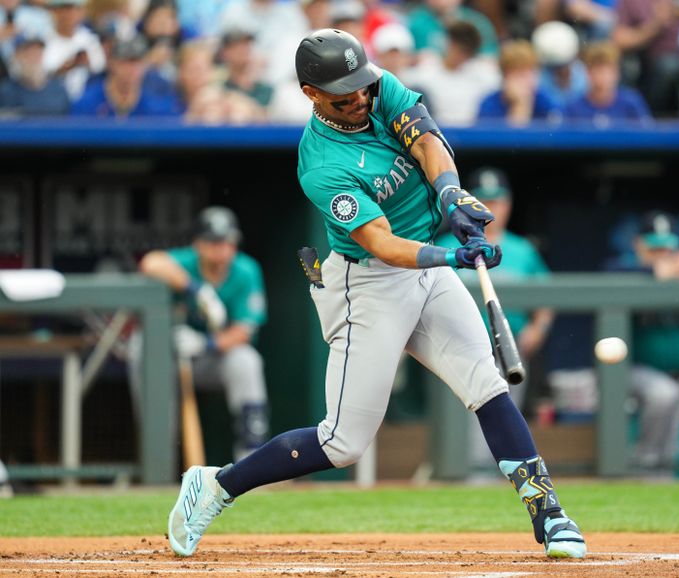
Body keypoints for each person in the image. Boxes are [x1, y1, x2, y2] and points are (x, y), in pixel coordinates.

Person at [167, 28, 586, 560]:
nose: (360, 99)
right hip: (367, 283)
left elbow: (427, 140)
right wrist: (451, 255)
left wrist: (451, 194)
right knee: (342, 443)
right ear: (310, 94)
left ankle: (549, 515)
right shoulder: (321, 164)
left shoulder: (376, 85)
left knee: (487, 382)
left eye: (362, 87)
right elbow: (383, 244)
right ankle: (218, 485)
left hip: (427, 268)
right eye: (345, 95)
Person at [436, 167, 554, 477]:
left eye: (498, 201)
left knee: (502, 425)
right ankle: (471, 484)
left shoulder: (522, 250)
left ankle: (492, 490)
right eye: (484, 200)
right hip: (456, 351)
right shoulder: (445, 244)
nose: (492, 208)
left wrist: (537, 327)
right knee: (467, 437)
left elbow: (548, 298)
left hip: (507, 350)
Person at [137, 206, 270, 463]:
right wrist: (196, 289)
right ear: (198, 244)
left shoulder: (246, 270)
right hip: (173, 358)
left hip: (216, 357)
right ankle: (158, 458)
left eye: (227, 243)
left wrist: (205, 343)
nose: (221, 250)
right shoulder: (187, 262)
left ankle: (253, 461)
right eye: (213, 242)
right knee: (140, 348)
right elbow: (150, 263)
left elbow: (244, 331)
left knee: (247, 360)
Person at [607, 211, 679, 471]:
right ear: (639, 244)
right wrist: (652, 270)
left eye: (666, 248)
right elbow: (610, 271)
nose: (661, 254)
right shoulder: (627, 268)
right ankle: (643, 463)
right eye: (654, 248)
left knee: (671, 450)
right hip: (631, 368)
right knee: (663, 395)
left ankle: (658, 478)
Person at [612, 0, 679, 115]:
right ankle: (657, 121)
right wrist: (656, 25)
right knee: (669, 66)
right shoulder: (633, 2)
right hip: (650, 67)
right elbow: (619, 40)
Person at [403, 20, 500, 125]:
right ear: (449, 43)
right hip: (437, 132)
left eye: (466, 51)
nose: (460, 55)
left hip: (473, 133)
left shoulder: (481, 71)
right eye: (457, 47)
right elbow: (401, 83)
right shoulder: (428, 67)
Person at [71, 35, 179, 117]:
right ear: (112, 63)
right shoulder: (87, 103)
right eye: (126, 62)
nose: (133, 69)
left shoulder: (156, 107)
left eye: (138, 62)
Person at [564, 41, 652, 125]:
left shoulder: (632, 103)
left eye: (608, 71)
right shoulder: (573, 107)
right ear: (588, 73)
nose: (604, 76)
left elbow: (647, 135)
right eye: (598, 70)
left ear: (617, 73)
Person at [477, 39, 561, 125]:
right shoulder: (489, 104)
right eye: (519, 74)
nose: (525, 80)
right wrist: (519, 105)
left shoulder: (545, 100)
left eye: (529, 72)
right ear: (505, 76)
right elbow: (511, 137)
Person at [43, 0, 106, 101]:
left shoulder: (90, 40)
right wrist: (65, 68)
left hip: (86, 99)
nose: (69, 14)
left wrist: (86, 61)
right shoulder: (43, 39)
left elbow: (100, 68)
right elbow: (39, 78)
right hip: (53, 101)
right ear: (54, 11)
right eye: (64, 9)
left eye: (74, 9)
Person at [0, 32, 70, 115]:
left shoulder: (58, 89)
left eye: (38, 51)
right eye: (28, 52)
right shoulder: (7, 91)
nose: (34, 57)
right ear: (17, 56)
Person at [531, 21, 589, 109]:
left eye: (564, 65)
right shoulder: (538, 78)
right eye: (554, 67)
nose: (561, 71)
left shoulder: (584, 76)